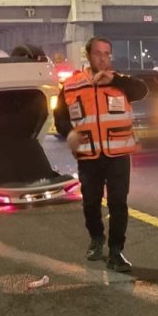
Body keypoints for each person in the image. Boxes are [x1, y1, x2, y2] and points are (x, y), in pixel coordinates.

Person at [53, 38, 148, 273]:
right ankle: (96, 238)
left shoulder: (121, 82)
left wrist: (115, 80)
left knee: (118, 203)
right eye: (98, 53)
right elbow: (60, 117)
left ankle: (116, 252)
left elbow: (142, 90)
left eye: (107, 54)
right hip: (89, 156)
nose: (103, 58)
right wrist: (69, 132)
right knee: (91, 203)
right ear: (88, 56)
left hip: (117, 155)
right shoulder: (72, 86)